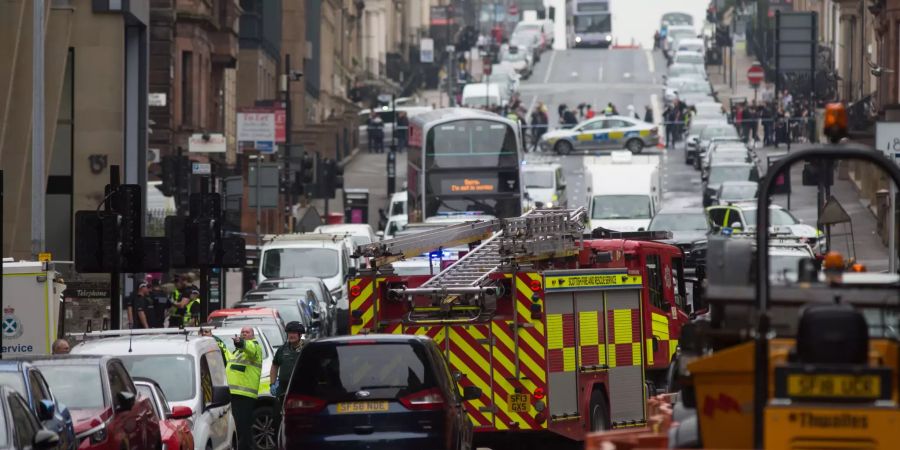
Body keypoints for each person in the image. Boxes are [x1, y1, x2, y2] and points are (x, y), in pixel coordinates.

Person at [226, 327, 262, 450]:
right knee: (238, 426)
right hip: (235, 393)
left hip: (244, 394)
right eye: (243, 332)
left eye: (247, 332)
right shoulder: (238, 351)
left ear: (253, 335)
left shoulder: (255, 346)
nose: (244, 334)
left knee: (243, 426)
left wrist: (241, 343)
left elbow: (249, 348)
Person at [270, 322, 306, 427]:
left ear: (300, 335)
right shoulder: (282, 349)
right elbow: (274, 366)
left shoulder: (306, 348)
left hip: (301, 391)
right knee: (279, 419)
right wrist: (272, 383)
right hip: (283, 391)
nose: (291, 335)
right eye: (289, 333)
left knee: (300, 419)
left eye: (294, 333)